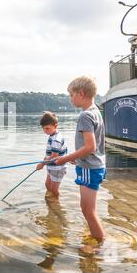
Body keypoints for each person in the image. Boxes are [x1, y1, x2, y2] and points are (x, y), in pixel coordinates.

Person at [54, 76, 107, 242]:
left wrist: (65, 158)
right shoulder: (95, 111)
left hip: (89, 168)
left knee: (87, 210)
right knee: (88, 209)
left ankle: (99, 242)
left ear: (81, 93)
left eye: (71, 95)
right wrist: (76, 158)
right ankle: (95, 236)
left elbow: (90, 146)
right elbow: (94, 146)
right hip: (94, 165)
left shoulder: (85, 115)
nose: (70, 99)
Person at [36, 112, 68, 199]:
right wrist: (43, 161)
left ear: (55, 126)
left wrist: (42, 164)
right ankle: (51, 201)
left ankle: (56, 203)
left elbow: (54, 156)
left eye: (47, 128)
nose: (45, 131)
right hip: (51, 166)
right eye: (43, 129)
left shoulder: (56, 139)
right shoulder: (52, 135)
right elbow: (49, 154)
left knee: (54, 189)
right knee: (47, 185)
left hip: (58, 168)